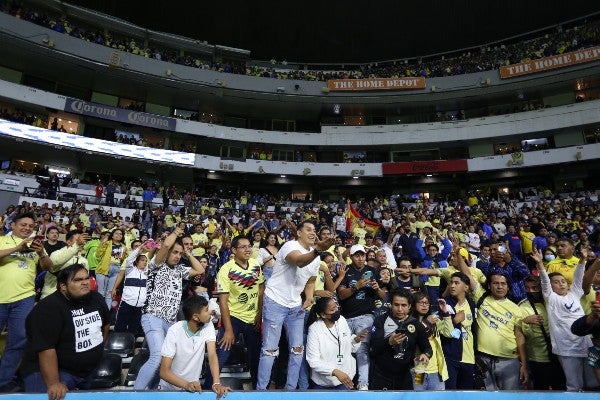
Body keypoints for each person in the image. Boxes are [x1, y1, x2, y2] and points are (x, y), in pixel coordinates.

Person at [256, 220, 334, 390]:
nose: (313, 232)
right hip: (275, 301)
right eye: (308, 229)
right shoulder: (289, 246)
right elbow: (299, 261)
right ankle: (261, 391)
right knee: (269, 350)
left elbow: (311, 281)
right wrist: (318, 250)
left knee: (298, 350)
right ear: (299, 233)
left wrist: (309, 296)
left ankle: (290, 391)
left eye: (315, 230)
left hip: (296, 306)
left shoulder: (315, 256)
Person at [20, 264, 110, 397]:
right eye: (77, 280)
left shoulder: (96, 298)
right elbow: (46, 349)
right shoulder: (47, 309)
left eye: (86, 278)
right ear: (63, 286)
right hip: (52, 372)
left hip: (88, 371)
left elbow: (106, 325)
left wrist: (95, 351)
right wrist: (54, 383)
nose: (85, 282)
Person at [134, 226, 206, 390]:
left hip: (170, 322)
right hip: (153, 317)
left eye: (179, 254)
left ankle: (150, 391)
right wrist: (175, 233)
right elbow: (165, 246)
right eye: (175, 252)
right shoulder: (156, 265)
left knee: (165, 360)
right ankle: (136, 394)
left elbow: (200, 269)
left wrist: (187, 253)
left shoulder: (180, 269)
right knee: (157, 357)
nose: (177, 256)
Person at [531, 249, 598, 391]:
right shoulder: (551, 298)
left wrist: (582, 260)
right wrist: (540, 265)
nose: (561, 284)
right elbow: (544, 281)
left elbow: (578, 278)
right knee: (574, 386)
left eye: (563, 281)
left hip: (585, 344)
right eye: (556, 282)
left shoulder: (574, 294)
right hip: (566, 348)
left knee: (593, 384)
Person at [0, 212, 53, 391]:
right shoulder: (2, 240)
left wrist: (41, 252)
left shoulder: (35, 244)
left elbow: (48, 267)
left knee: (18, 341)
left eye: (30, 226)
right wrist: (18, 248)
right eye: (23, 225)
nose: (27, 228)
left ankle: (3, 381)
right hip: (0, 297)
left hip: (24, 298)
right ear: (12, 225)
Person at [213, 235, 264, 389]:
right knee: (221, 357)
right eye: (243, 247)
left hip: (252, 319)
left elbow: (261, 289)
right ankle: (210, 388)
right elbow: (223, 300)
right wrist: (228, 329)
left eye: (249, 246)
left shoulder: (256, 265)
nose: (248, 249)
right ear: (234, 250)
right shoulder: (226, 269)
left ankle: (257, 391)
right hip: (233, 318)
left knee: (255, 360)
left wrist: (259, 314)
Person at [158, 296, 231, 398]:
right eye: (206, 310)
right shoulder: (174, 330)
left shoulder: (208, 324)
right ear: (196, 317)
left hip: (192, 392)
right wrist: (186, 385)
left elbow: (212, 355)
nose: (210, 312)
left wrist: (216, 382)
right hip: (168, 391)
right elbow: (164, 372)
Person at [336, 244, 386, 390]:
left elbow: (384, 297)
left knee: (362, 350)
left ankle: (363, 384)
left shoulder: (373, 271)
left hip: (365, 317)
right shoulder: (345, 271)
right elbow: (341, 294)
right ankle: (344, 384)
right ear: (351, 257)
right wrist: (356, 286)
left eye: (362, 255)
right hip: (345, 318)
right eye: (357, 255)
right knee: (344, 350)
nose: (360, 258)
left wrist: (377, 289)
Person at [369, 289, 432, 390]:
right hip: (381, 376)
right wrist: (389, 342)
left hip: (405, 378)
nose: (399, 309)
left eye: (403, 305)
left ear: (410, 306)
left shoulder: (417, 325)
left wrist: (426, 355)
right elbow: (372, 349)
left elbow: (428, 349)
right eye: (396, 305)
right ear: (391, 305)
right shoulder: (380, 320)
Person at [305, 297, 365, 389]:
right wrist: (335, 371)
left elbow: (347, 347)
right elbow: (313, 361)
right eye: (333, 309)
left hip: (344, 378)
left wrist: (356, 340)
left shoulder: (341, 320)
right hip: (323, 383)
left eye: (336, 306)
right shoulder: (314, 329)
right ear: (323, 315)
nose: (337, 310)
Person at [518, 274, 566, 390]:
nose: (531, 291)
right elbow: (519, 336)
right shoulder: (522, 306)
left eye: (535, 288)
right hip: (537, 359)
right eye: (527, 288)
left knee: (561, 390)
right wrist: (525, 321)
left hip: (559, 356)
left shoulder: (552, 301)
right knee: (541, 391)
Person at [440, 271, 477, 390]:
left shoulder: (472, 305)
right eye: (451, 283)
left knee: (466, 395)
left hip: (469, 358)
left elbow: (474, 330)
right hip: (450, 357)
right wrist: (455, 321)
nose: (452, 286)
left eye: (456, 283)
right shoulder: (444, 304)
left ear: (466, 287)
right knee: (450, 395)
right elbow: (441, 330)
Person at [410, 292, 449, 391]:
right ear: (414, 304)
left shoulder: (434, 320)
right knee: (418, 398)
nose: (424, 305)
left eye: (427, 303)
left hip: (436, 372)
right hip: (419, 371)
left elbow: (449, 332)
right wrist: (427, 323)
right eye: (421, 302)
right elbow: (414, 339)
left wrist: (445, 312)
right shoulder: (410, 322)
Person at [95, 228, 128, 308]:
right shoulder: (107, 243)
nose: (119, 235)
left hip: (117, 270)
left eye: (120, 234)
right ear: (112, 236)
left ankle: (106, 315)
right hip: (104, 268)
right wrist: (103, 243)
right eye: (116, 233)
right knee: (100, 293)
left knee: (110, 293)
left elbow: (124, 260)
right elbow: (98, 255)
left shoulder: (124, 247)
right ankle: (99, 312)